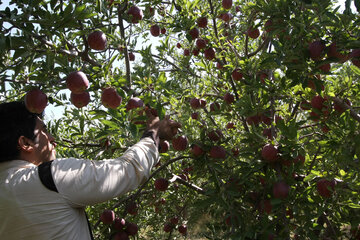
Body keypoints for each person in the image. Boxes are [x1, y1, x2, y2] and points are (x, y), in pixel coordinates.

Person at [0, 101, 181, 240]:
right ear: (25, 143)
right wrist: (154, 133)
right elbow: (128, 170)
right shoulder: (49, 177)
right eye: (44, 131)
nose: (52, 138)